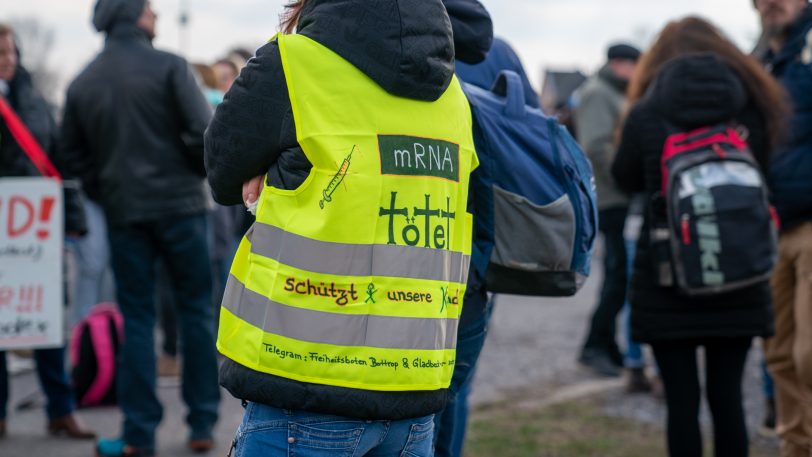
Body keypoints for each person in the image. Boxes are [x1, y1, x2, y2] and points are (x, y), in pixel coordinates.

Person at [205, 0, 478, 455]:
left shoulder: (294, 64)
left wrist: (270, 169)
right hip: (414, 396)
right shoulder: (453, 95)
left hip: (305, 388)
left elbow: (222, 172)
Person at [612, 17, 787, 457]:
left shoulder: (646, 113)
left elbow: (624, 177)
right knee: (728, 400)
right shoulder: (753, 108)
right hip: (741, 275)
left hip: (669, 277)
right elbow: (768, 175)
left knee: (682, 405)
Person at [58, 1, 220, 455]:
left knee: (137, 318)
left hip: (125, 213)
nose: (157, 15)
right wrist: (190, 171)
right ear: (134, 15)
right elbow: (204, 134)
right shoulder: (170, 66)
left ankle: (139, 433)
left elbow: (69, 155)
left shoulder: (83, 81)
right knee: (196, 314)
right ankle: (203, 423)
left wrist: (105, 189)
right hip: (183, 208)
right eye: (150, 7)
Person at [0, 22, 95, 441]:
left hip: (35, 231)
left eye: (11, 53)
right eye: (1, 55)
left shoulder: (34, 102)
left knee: (48, 318)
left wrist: (72, 217)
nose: (8, 62)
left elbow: (58, 162)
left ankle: (61, 409)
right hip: (10, 228)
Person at [753, 1, 812, 455]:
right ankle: (797, 447)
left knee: (809, 355)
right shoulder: (761, 60)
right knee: (778, 355)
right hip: (771, 225)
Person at [574, 43, 641, 379]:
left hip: (618, 197)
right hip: (612, 198)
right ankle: (594, 347)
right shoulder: (600, 93)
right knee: (616, 278)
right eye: (633, 65)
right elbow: (598, 147)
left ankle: (606, 345)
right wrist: (630, 178)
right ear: (619, 64)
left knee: (619, 278)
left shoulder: (614, 92)